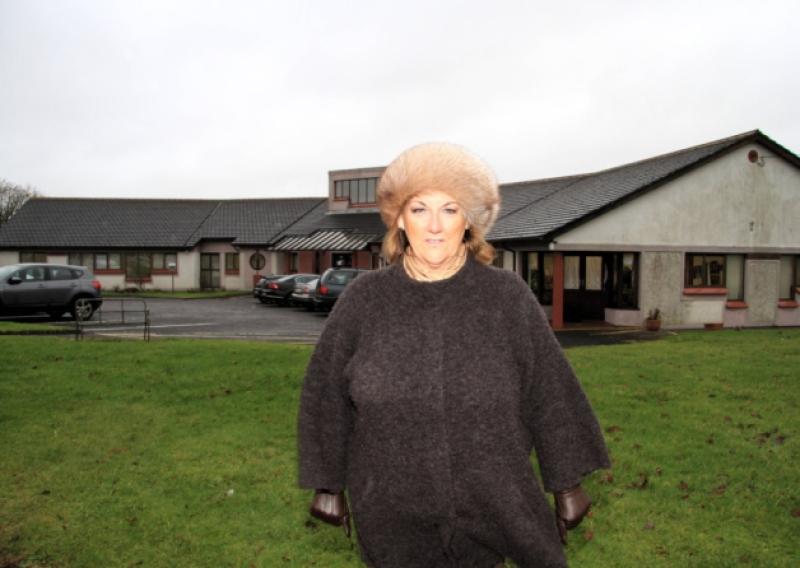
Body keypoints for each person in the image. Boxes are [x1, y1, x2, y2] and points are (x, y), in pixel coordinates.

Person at [297, 143, 611, 567]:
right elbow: (326, 393)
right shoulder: (364, 300)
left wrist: (567, 484)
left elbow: (549, 389)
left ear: (469, 222)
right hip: (392, 503)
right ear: (400, 221)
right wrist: (328, 484)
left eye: (449, 209)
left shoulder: (505, 297)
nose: (434, 226)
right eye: (419, 209)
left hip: (493, 495)